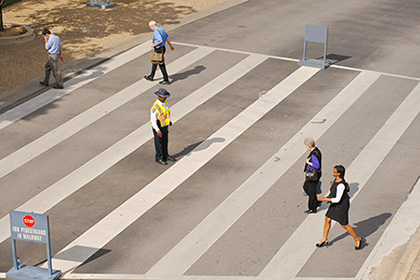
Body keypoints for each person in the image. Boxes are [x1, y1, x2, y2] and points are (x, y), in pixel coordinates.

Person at [316, 165, 363, 250]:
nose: (332, 172)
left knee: (344, 224)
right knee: (327, 218)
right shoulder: (336, 180)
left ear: (338, 174)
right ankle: (324, 238)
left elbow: (337, 199)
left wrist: (323, 198)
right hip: (336, 204)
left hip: (341, 206)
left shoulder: (341, 185)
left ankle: (357, 239)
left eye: (334, 171)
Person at [150, 88, 176, 165]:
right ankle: (159, 157)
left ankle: (165, 155)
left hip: (164, 125)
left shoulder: (165, 103)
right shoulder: (155, 107)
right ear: (159, 97)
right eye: (164, 97)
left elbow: (165, 113)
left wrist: (169, 121)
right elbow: (153, 120)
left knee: (165, 141)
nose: (165, 98)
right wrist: (157, 130)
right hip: (158, 126)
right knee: (158, 142)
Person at [144, 21, 175, 85]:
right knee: (155, 62)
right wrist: (170, 46)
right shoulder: (161, 29)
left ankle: (166, 79)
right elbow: (166, 38)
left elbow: (160, 40)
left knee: (161, 64)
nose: (150, 28)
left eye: (150, 27)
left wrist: (153, 45)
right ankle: (151, 76)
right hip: (163, 48)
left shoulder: (156, 32)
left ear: (152, 26)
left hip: (158, 49)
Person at [303, 137, 322, 214]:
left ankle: (312, 208)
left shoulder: (314, 154)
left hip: (313, 175)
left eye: (306, 146)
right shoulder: (317, 151)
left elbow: (316, 165)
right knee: (306, 187)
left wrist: (308, 162)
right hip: (316, 174)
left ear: (309, 146)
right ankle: (316, 201)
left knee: (311, 191)